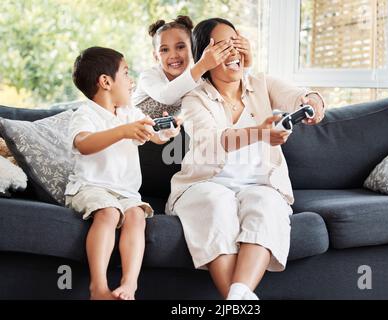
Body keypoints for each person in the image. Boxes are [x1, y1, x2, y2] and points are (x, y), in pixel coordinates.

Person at [165, 18, 326, 300]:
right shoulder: (194, 99)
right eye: (225, 46)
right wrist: (260, 133)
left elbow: (300, 96)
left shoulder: (261, 84)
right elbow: (212, 140)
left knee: (266, 203)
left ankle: (237, 298)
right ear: (206, 54)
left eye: (237, 42)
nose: (234, 52)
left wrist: (313, 101)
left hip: (260, 184)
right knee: (217, 201)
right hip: (204, 183)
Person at [65, 46, 181, 300]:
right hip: (90, 187)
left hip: (125, 192)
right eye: (126, 74)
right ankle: (98, 287)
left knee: (136, 216)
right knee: (108, 212)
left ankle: (130, 284)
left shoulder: (130, 113)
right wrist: (123, 131)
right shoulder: (85, 114)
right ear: (106, 81)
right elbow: (83, 143)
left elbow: (153, 134)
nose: (131, 81)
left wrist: (167, 131)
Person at [132, 15, 253, 117]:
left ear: (193, 49)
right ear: (156, 56)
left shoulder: (197, 74)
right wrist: (202, 65)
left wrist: (247, 62)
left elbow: (230, 86)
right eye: (164, 50)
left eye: (180, 47)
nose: (173, 55)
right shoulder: (148, 76)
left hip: (168, 135)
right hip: (134, 136)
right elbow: (166, 96)